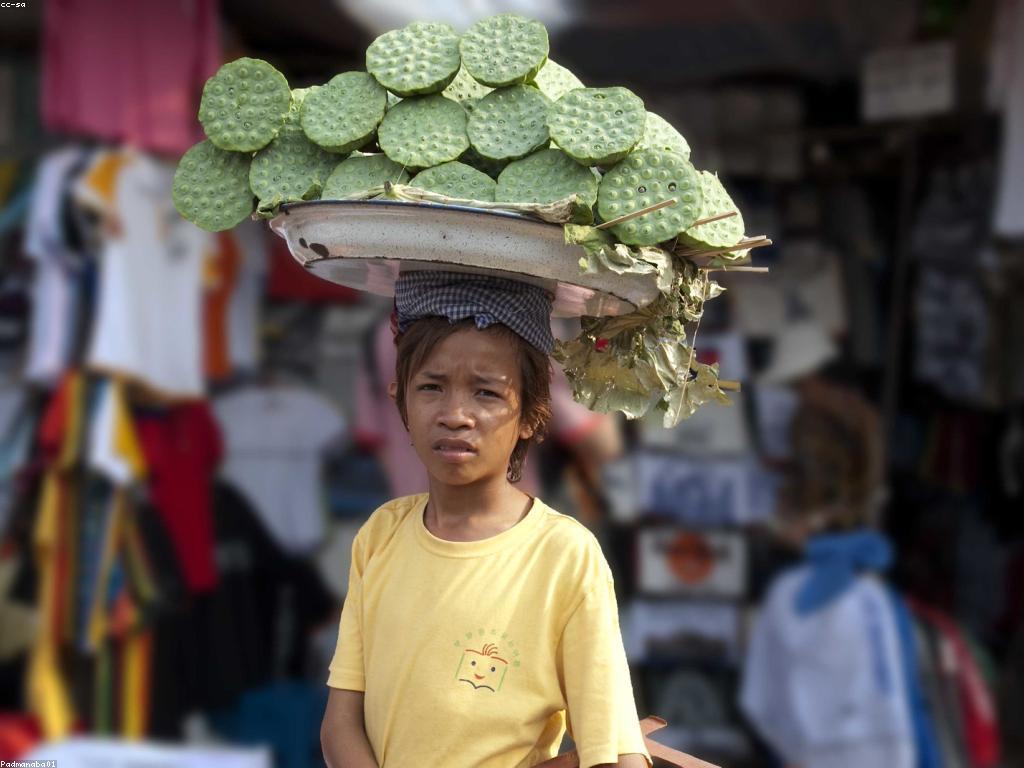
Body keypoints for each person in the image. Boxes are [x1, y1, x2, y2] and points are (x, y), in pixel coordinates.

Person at [320, 270, 651, 768]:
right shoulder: (381, 535)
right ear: (401, 399)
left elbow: (615, 750)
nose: (456, 414)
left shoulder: (564, 556)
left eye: (487, 393)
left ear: (534, 414)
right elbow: (341, 722)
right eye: (431, 386)